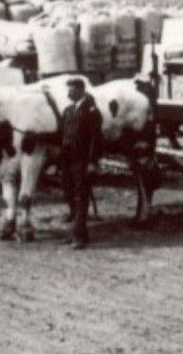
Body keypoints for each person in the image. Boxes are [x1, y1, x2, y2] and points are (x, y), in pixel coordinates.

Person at [58, 77, 102, 249]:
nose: (68, 93)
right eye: (68, 90)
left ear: (81, 90)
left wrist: (93, 162)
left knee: (81, 196)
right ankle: (77, 232)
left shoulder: (91, 111)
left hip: (82, 160)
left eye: (72, 90)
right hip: (68, 159)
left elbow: (95, 139)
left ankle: (79, 237)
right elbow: (61, 135)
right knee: (69, 194)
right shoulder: (68, 110)